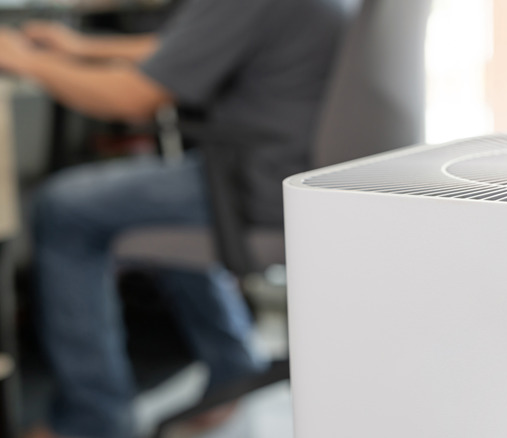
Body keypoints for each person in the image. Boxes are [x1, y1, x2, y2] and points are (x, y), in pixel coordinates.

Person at [0, 0, 353, 437]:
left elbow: (131, 98)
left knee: (62, 208)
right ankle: (231, 366)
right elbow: (179, 47)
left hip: (250, 184)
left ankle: (91, 421)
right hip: (295, 177)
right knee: (138, 201)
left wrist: (24, 60)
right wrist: (79, 47)